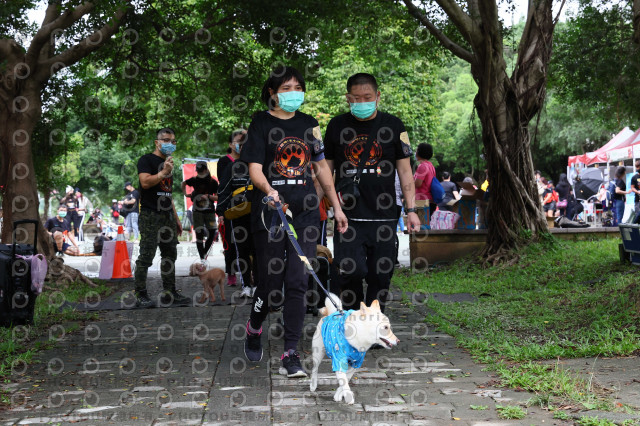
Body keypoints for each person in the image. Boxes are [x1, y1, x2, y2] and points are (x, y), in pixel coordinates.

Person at [240, 65, 348, 376]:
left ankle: (290, 353)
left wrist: (336, 207)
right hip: (270, 212)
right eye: (286, 88)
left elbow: (322, 168)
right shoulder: (261, 122)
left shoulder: (309, 124)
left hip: (306, 212)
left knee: (299, 281)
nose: (293, 93)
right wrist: (269, 190)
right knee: (271, 283)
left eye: (298, 88)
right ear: (273, 93)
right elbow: (255, 168)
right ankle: (254, 325)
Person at [324, 72, 421, 315]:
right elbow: (325, 171)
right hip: (348, 217)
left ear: (377, 96)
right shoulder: (336, 126)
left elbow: (405, 171)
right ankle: (354, 318)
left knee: (381, 274)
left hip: (384, 216)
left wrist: (411, 210)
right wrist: (319, 206)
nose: (361, 102)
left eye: (367, 97)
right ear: (348, 98)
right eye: (356, 98)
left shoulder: (394, 126)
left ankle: (375, 320)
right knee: (351, 271)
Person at [134, 127, 190, 308]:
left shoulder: (168, 163)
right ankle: (140, 294)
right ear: (157, 142)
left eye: (173, 141)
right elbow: (145, 182)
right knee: (146, 255)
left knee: (170, 255)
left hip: (167, 216)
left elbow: (167, 193)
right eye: (166, 140)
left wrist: (176, 218)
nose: (170, 144)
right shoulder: (146, 160)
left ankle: (169, 293)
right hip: (150, 214)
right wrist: (162, 173)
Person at [216, 156, 256, 298]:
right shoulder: (233, 167)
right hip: (238, 213)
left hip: (259, 213)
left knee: (258, 250)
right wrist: (221, 211)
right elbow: (224, 189)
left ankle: (258, 285)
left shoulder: (263, 163)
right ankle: (246, 285)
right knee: (241, 250)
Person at [218, 130, 247, 285]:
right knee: (231, 243)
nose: (241, 145)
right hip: (232, 209)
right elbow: (224, 187)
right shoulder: (225, 163)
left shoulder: (253, 163)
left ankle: (250, 277)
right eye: (238, 142)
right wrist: (221, 211)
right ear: (231, 144)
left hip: (249, 209)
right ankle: (231, 273)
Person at [181, 161, 219, 262]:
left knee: (212, 232)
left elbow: (217, 197)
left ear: (206, 170)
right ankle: (202, 257)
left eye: (201, 171)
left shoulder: (213, 182)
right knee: (199, 234)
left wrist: (208, 196)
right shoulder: (194, 180)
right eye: (198, 171)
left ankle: (204, 253)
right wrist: (186, 194)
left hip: (210, 211)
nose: (200, 173)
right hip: (197, 211)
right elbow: (183, 184)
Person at [414, 143, 437, 214]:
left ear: (420, 152)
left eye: (416, 150)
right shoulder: (430, 165)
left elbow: (418, 184)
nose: (415, 152)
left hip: (422, 201)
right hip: (430, 200)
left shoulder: (422, 166)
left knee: (421, 221)